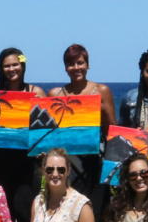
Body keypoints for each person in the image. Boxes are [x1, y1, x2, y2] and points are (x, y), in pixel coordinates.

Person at [0, 48, 44, 222]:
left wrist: (42, 147)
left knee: (25, 213)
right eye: (7, 66)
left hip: (27, 164)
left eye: (15, 64)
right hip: (0, 162)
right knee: (3, 216)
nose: (11, 69)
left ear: (22, 65)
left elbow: (45, 128)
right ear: (1, 68)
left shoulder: (36, 92)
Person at [47, 43, 116, 213]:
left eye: (80, 63)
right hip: (65, 164)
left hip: (94, 164)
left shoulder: (102, 90)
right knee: (66, 212)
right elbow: (49, 134)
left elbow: (113, 132)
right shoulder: (55, 94)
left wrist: (103, 111)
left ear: (88, 65)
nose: (76, 67)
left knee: (94, 212)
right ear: (65, 68)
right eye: (71, 64)